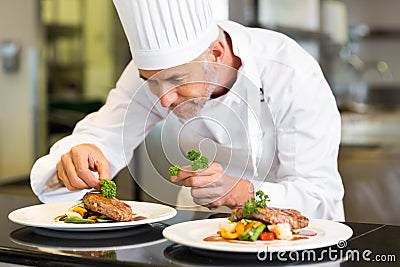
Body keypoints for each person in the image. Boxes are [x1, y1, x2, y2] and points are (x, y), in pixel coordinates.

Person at [30, 0, 345, 220]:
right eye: (151, 83)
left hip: (290, 248)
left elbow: (320, 197)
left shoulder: (289, 70)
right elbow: (102, 137)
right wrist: (77, 157)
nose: (163, 99)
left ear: (217, 53)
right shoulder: (155, 74)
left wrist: (245, 193)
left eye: (177, 80)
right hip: (195, 231)